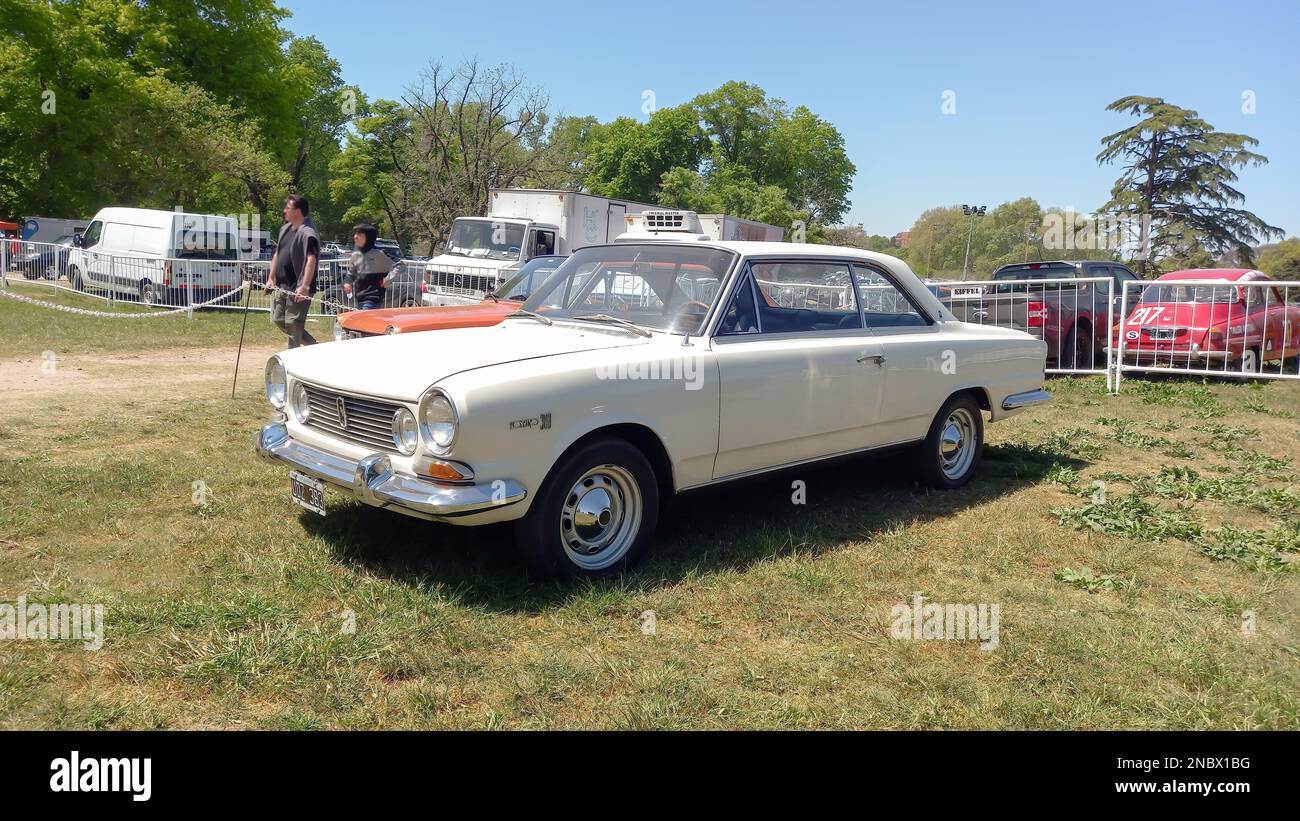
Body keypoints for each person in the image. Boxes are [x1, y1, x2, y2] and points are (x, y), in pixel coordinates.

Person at [264, 195, 320, 347]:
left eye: (288, 208)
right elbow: (277, 254)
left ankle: (293, 357)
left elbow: (311, 259)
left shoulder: (308, 232)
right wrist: (271, 278)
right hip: (282, 285)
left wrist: (305, 286)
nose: (285, 211)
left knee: (293, 324)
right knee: (278, 319)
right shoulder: (285, 229)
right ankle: (314, 347)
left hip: (299, 288)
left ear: (298, 211)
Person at [343, 223, 395, 310]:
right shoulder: (356, 255)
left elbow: (400, 265)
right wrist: (347, 283)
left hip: (372, 299)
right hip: (360, 299)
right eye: (355, 234)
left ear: (368, 238)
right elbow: (351, 273)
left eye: (359, 234)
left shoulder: (379, 254)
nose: (355, 237)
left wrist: (388, 279)